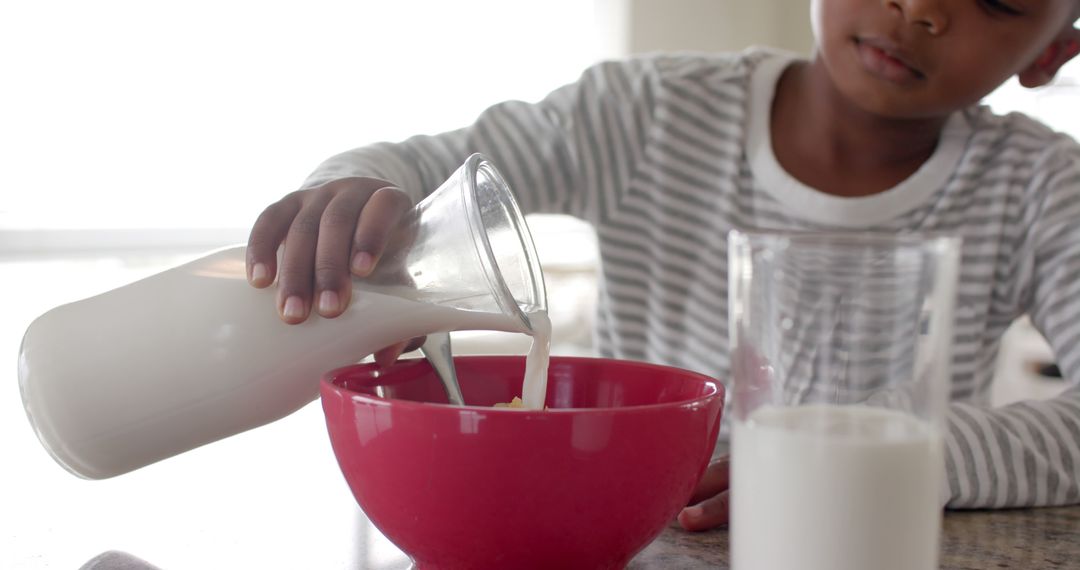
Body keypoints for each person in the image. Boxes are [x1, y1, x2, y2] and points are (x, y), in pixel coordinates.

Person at [246, 0, 1080, 532]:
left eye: (997, 0)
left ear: (1049, 56)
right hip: (639, 541)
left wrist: (895, 450)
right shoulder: (649, 114)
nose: (922, 8)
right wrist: (350, 192)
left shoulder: (1043, 186)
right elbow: (409, 163)